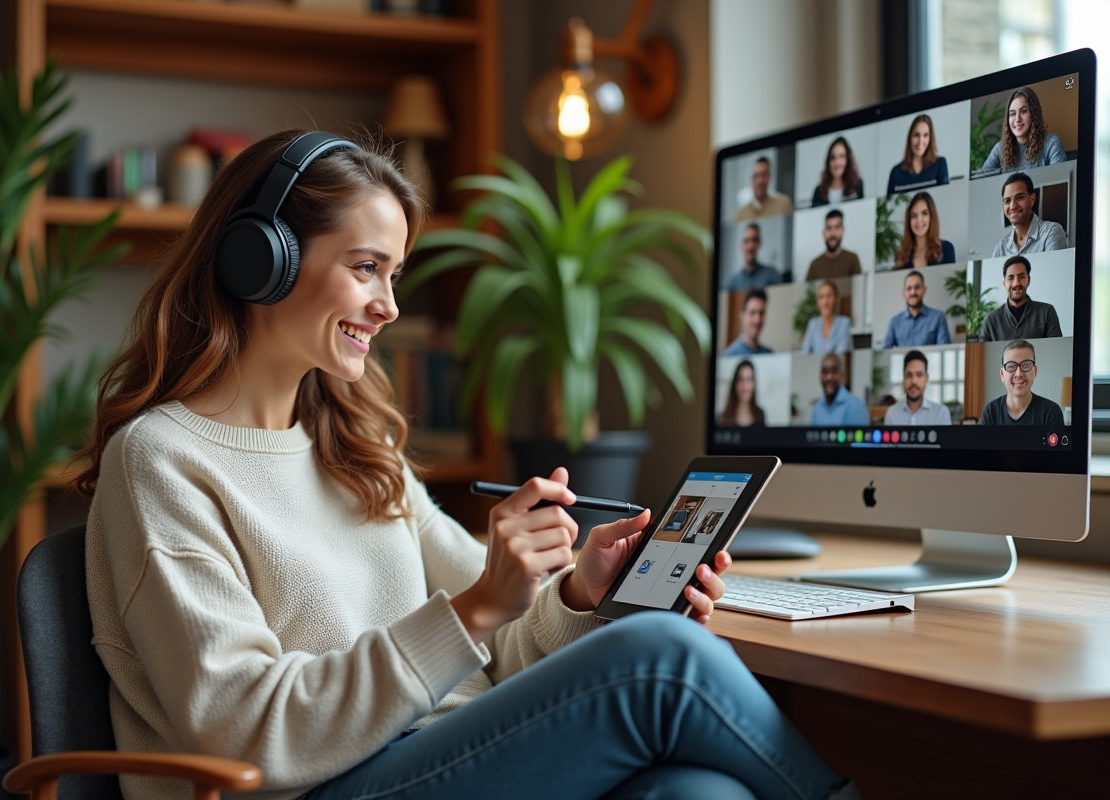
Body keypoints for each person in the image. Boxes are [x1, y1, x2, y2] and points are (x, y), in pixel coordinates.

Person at [74, 130, 859, 800]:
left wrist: (579, 591)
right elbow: (244, 731)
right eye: (364, 267)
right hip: (314, 787)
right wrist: (478, 606)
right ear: (260, 261)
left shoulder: (356, 448)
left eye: (394, 275)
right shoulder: (161, 462)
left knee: (699, 792)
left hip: (431, 760)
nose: (388, 305)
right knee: (667, 660)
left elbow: (492, 645)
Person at [978, 86, 1068, 174]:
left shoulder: (1051, 143)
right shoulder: (999, 149)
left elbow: (1061, 183)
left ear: (1033, 114)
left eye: (1023, 111)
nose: (1017, 119)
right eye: (1012, 114)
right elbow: (980, 181)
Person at [980, 339, 1064, 425]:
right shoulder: (990, 411)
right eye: (1011, 366)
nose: (1019, 374)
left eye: (1026, 365)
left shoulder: (1051, 412)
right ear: (1002, 375)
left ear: (1035, 371)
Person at [979, 255, 1063, 341]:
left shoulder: (1047, 312)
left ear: (1029, 280)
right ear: (1004, 284)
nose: (1016, 283)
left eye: (1022, 277)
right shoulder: (991, 320)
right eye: (1011, 278)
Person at [992, 171, 1067, 256]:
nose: (1013, 206)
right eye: (1008, 201)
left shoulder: (1051, 232)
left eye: (1019, 197)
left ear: (1032, 200)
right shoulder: (1000, 249)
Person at [883, 350, 953, 426]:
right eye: (909, 375)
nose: (913, 381)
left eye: (919, 375)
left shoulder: (941, 413)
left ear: (926, 379)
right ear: (903, 378)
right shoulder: (892, 413)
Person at [883, 270, 952, 348]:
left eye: (917, 287)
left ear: (924, 290)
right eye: (909, 288)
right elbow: (886, 350)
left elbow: (944, 348)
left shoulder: (938, 317)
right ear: (903, 293)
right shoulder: (894, 322)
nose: (913, 292)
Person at [886, 114, 950, 194]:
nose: (920, 141)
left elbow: (944, 197)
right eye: (916, 135)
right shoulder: (896, 172)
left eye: (925, 135)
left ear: (930, 138)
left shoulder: (940, 164)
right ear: (910, 137)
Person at [895, 192, 955, 269]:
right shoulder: (902, 254)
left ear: (932, 217)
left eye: (924, 213)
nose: (919, 220)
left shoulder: (946, 249)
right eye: (914, 216)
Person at [810, 353, 869, 426]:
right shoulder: (817, 408)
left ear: (842, 375)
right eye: (825, 372)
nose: (829, 377)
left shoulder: (857, 407)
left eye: (834, 371)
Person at [734, 155, 794, 222]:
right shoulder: (741, 215)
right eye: (756, 175)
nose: (760, 181)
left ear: (769, 177)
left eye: (764, 175)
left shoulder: (784, 205)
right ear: (751, 179)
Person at [806, 209, 862, 279]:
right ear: (823, 232)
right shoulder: (815, 265)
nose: (832, 233)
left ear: (842, 230)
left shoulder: (852, 259)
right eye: (829, 228)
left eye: (837, 227)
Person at [725, 223, 783, 290]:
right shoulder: (732, 282)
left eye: (754, 240)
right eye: (746, 241)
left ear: (759, 243)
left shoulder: (771, 274)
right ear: (741, 245)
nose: (750, 246)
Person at [801, 279, 852, 353]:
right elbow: (805, 352)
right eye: (821, 297)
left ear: (835, 299)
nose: (825, 302)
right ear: (817, 302)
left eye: (829, 296)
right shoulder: (813, 324)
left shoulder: (844, 323)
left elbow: (842, 355)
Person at [811, 136, 864, 206]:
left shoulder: (857, 185)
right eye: (833, 158)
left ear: (847, 159)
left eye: (841, 156)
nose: (837, 163)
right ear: (828, 162)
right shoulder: (819, 191)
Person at [723, 289, 773, 356]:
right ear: (742, 316)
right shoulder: (729, 355)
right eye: (752, 312)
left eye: (761, 313)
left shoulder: (769, 354)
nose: (757, 320)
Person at [718, 360, 767, 427]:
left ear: (754, 384)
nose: (745, 386)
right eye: (741, 379)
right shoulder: (722, 418)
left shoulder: (760, 414)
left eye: (749, 379)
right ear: (735, 384)